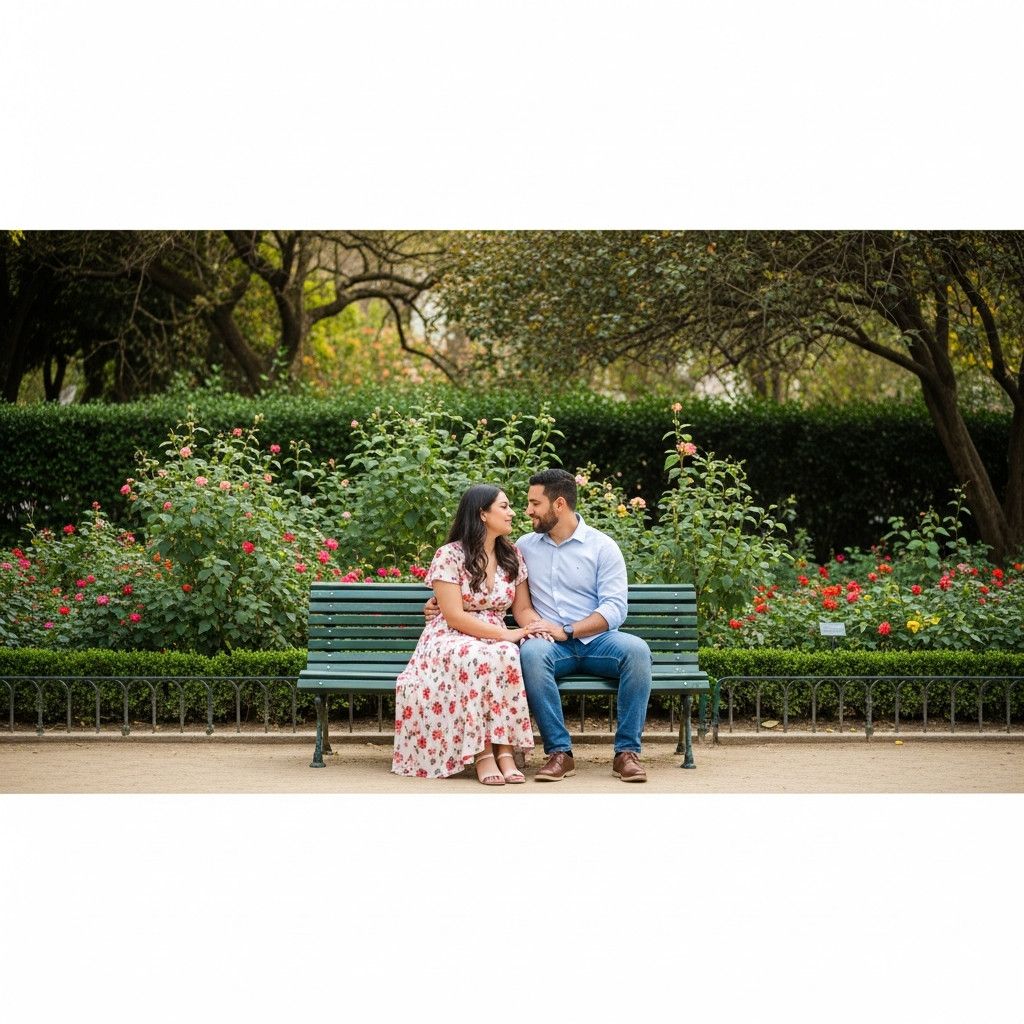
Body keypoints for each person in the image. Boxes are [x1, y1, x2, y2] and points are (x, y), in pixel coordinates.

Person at [427, 468, 654, 783]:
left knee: (637, 652)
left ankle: (626, 753)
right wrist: (536, 628)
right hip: (548, 645)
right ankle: (559, 753)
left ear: (558, 505)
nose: (527, 510)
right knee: (531, 655)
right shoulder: (524, 546)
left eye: (535, 503)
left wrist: (569, 630)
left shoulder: (602, 547)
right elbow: (518, 605)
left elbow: (615, 608)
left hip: (597, 642)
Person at [392, 483, 550, 784]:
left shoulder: (512, 555)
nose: (512, 512)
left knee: (504, 655)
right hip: (449, 636)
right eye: (504, 506)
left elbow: (522, 609)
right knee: (478, 655)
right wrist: (506, 635)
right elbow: (453, 615)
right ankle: (483, 753)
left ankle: (505, 750)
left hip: (493, 635)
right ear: (482, 514)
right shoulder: (449, 555)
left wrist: (532, 628)